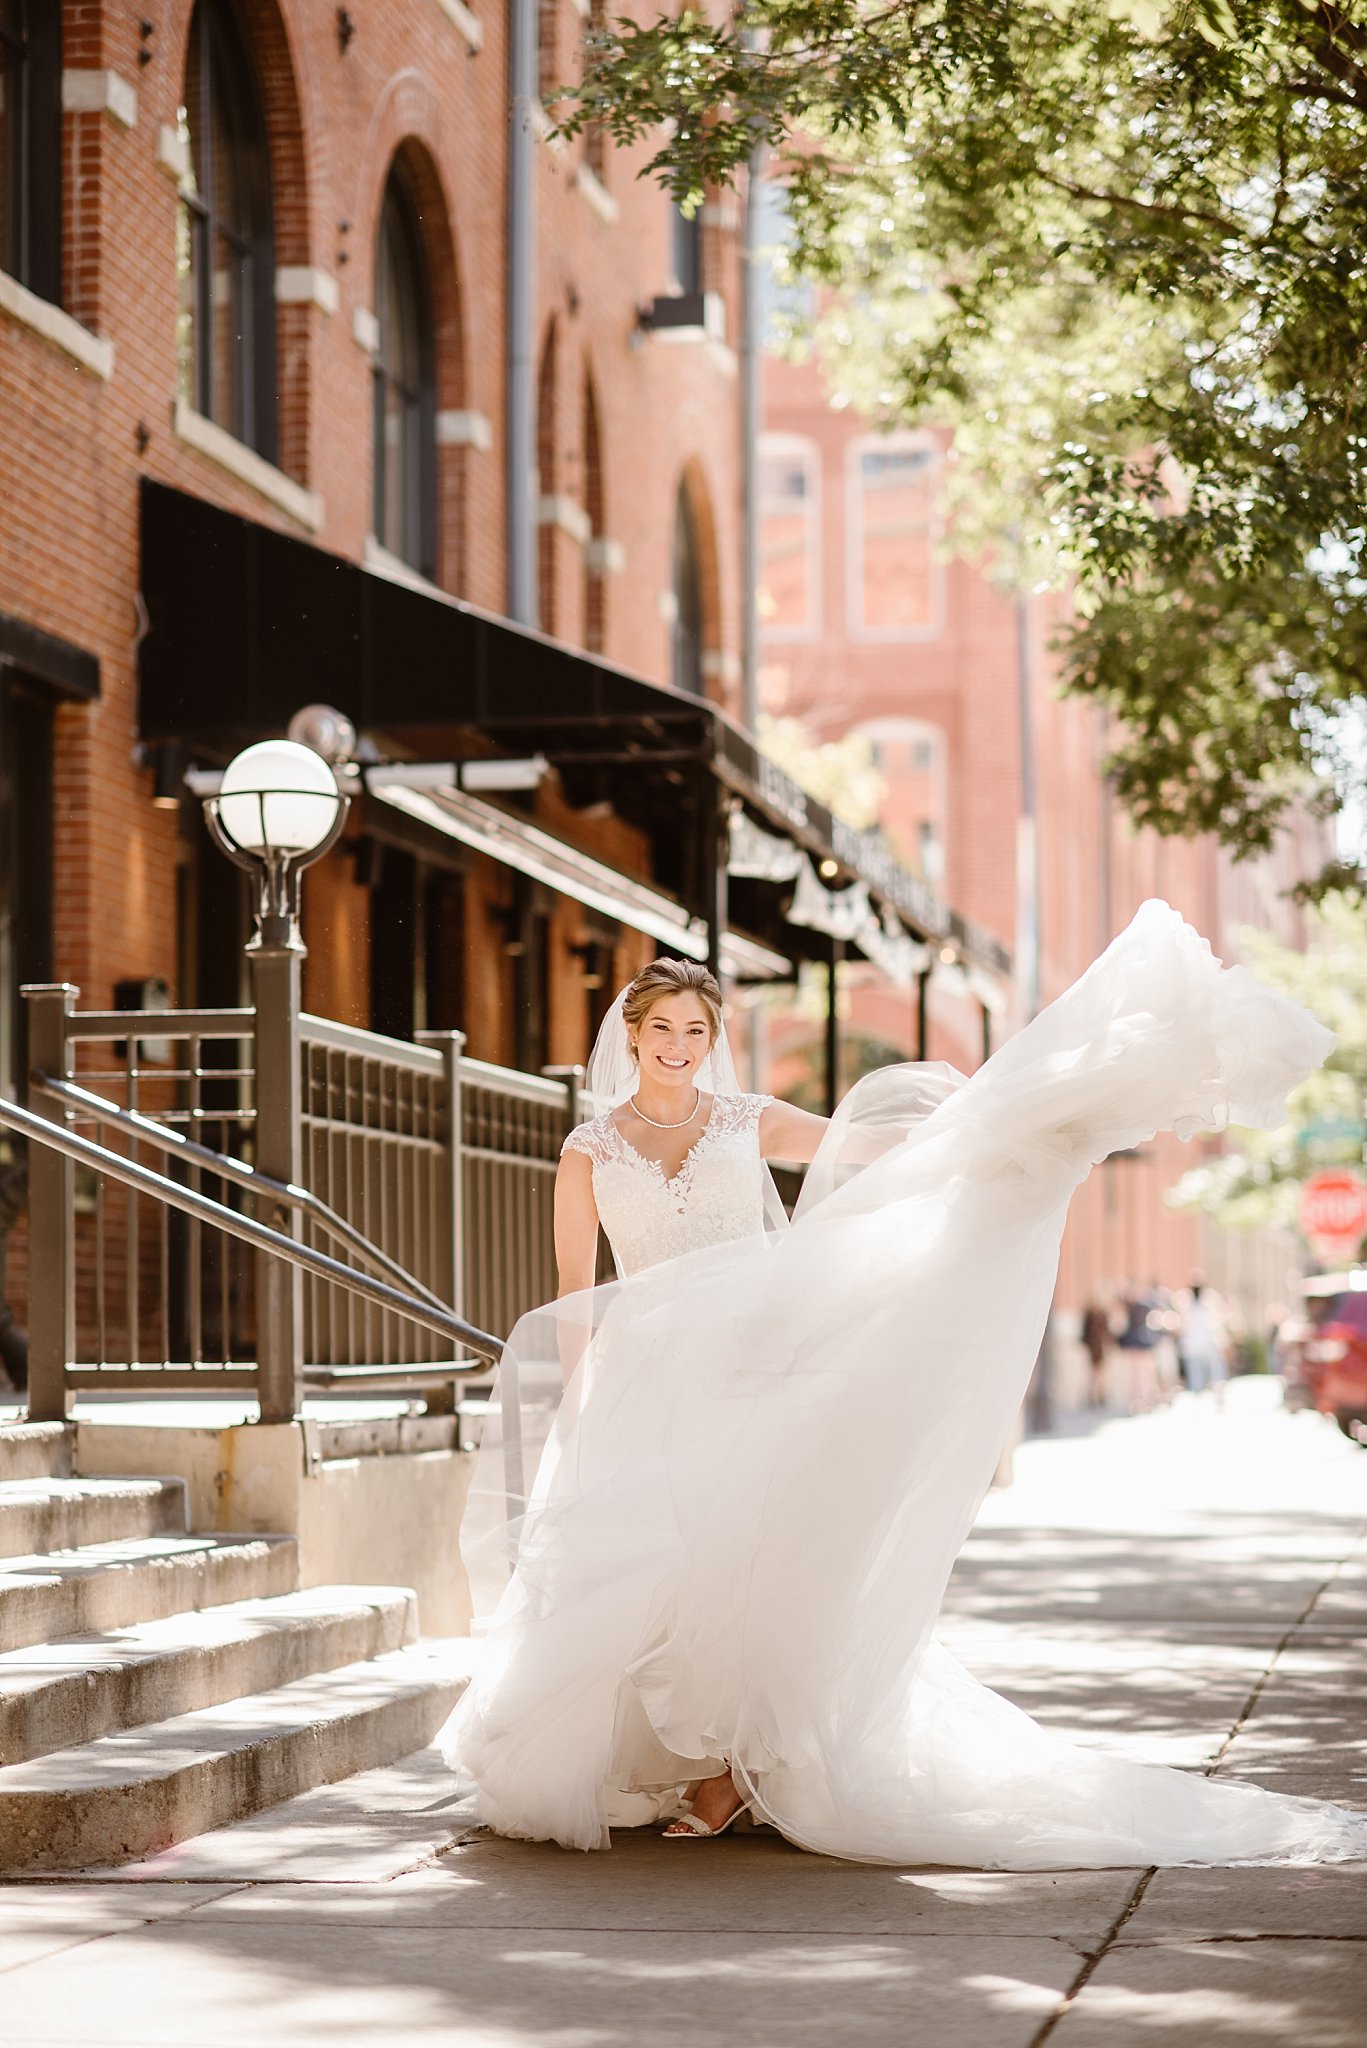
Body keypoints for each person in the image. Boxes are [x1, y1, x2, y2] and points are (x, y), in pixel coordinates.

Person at [440, 901, 1367, 1868]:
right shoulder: (587, 1152)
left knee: (751, 1557)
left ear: (712, 1042)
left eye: (695, 1031)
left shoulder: (748, 1123)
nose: (677, 1045)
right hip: (649, 1377)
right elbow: (575, 1291)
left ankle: (730, 1770)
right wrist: (583, 1402)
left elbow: (880, 1153)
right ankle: (678, 1759)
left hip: (759, 1363)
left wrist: (1009, 1138)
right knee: (657, 1567)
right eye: (661, 1029)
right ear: (629, 1037)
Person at [1179, 1278, 1230, 1399]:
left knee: (1214, 1372)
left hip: (1206, 1343)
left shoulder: (1209, 1300)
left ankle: (1216, 1393)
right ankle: (1200, 1395)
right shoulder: (1186, 1301)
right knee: (1198, 1373)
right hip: (1196, 1344)